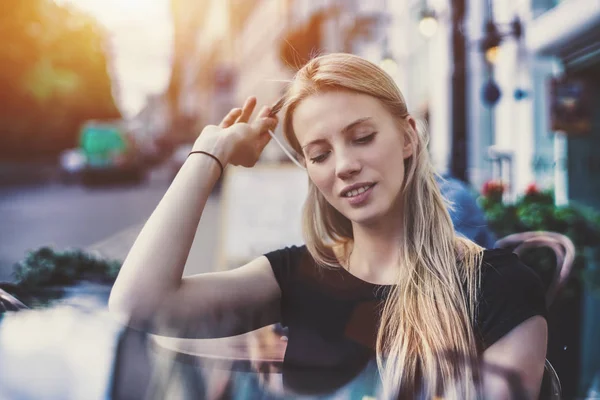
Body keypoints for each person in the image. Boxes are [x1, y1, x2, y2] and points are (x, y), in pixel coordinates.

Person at [108, 53, 547, 399]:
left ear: (409, 137)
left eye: (362, 138)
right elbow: (140, 304)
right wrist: (210, 152)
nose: (345, 166)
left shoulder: (499, 287)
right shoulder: (296, 276)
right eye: (319, 154)